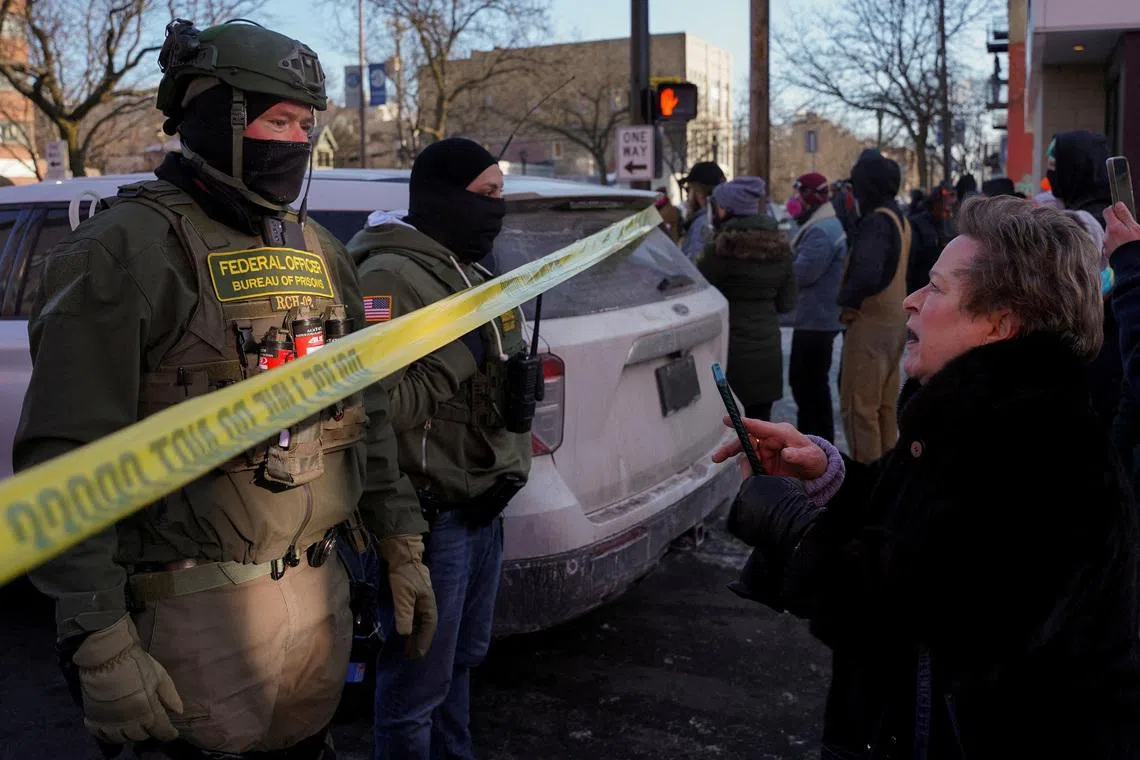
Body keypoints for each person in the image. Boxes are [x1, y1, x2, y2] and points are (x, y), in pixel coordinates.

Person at [12, 19, 430, 760]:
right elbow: (66, 462)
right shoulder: (124, 252)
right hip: (192, 622)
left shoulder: (320, 251)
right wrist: (99, 636)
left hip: (319, 602)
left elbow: (362, 413)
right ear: (214, 116)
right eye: (279, 119)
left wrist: (401, 541)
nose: (298, 141)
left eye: (307, 123)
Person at [715, 195, 1140, 758]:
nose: (912, 301)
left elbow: (931, 613)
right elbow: (931, 527)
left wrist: (791, 524)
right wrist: (829, 481)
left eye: (936, 289)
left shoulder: (1050, 454)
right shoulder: (974, 419)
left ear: (1002, 323)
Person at [347, 137, 533, 760]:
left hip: (481, 505)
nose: (498, 208)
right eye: (487, 195)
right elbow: (371, 406)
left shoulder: (466, 268)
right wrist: (465, 351)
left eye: (501, 194)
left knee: (457, 668)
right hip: (427, 519)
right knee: (413, 691)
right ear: (442, 197)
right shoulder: (387, 277)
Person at [696, 176, 796, 421]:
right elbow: (787, 302)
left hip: (730, 355)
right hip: (768, 353)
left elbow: (698, 299)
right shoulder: (781, 248)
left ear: (727, 210)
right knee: (761, 431)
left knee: (728, 432)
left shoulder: (719, 250)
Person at [837, 149, 911, 463]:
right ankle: (887, 477)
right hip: (894, 325)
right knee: (884, 407)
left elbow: (867, 273)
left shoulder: (877, 222)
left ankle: (867, 486)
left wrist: (847, 302)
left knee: (859, 409)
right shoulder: (898, 217)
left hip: (871, 325)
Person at [784, 172, 846, 442]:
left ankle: (815, 443)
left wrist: (782, 265)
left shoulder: (821, 230)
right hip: (816, 319)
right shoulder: (821, 223)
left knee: (808, 386)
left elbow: (802, 274)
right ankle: (815, 441)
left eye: (799, 194)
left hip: (816, 322)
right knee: (810, 386)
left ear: (811, 197)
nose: (794, 200)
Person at [679, 160, 726, 260]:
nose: (687, 196)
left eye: (689, 189)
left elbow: (692, 268)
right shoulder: (724, 219)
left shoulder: (701, 224)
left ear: (700, 193)